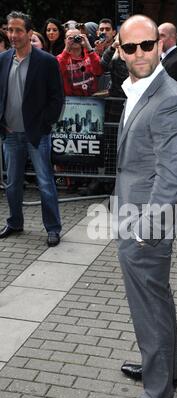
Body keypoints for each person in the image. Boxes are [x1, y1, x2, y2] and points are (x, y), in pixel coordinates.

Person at [105, 14, 177, 398]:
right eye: (130, 47)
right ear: (119, 50)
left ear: (160, 45)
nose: (139, 53)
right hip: (133, 212)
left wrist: (146, 231)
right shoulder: (138, 87)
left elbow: (172, 176)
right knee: (157, 299)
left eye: (146, 45)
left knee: (148, 307)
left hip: (145, 224)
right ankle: (163, 370)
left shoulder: (170, 98)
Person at [0, 11, 64, 247]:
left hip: (37, 134)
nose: (13, 35)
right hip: (10, 134)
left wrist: (43, 123)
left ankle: (53, 228)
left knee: (45, 182)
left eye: (17, 30)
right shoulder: (3, 59)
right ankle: (15, 222)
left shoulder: (46, 61)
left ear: (29, 33)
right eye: (9, 29)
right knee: (13, 183)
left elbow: (57, 98)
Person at [56, 27, 102, 96]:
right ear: (65, 41)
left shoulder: (91, 55)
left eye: (77, 37)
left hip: (92, 99)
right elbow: (56, 73)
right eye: (70, 38)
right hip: (71, 101)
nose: (74, 40)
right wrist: (66, 49)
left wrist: (88, 47)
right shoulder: (61, 58)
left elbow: (99, 71)